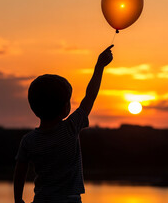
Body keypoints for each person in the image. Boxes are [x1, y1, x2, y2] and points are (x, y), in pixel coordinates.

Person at [13, 45, 114, 203]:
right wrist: (100, 66)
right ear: (65, 108)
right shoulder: (70, 128)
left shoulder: (29, 141)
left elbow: (20, 172)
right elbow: (90, 96)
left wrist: (18, 199)